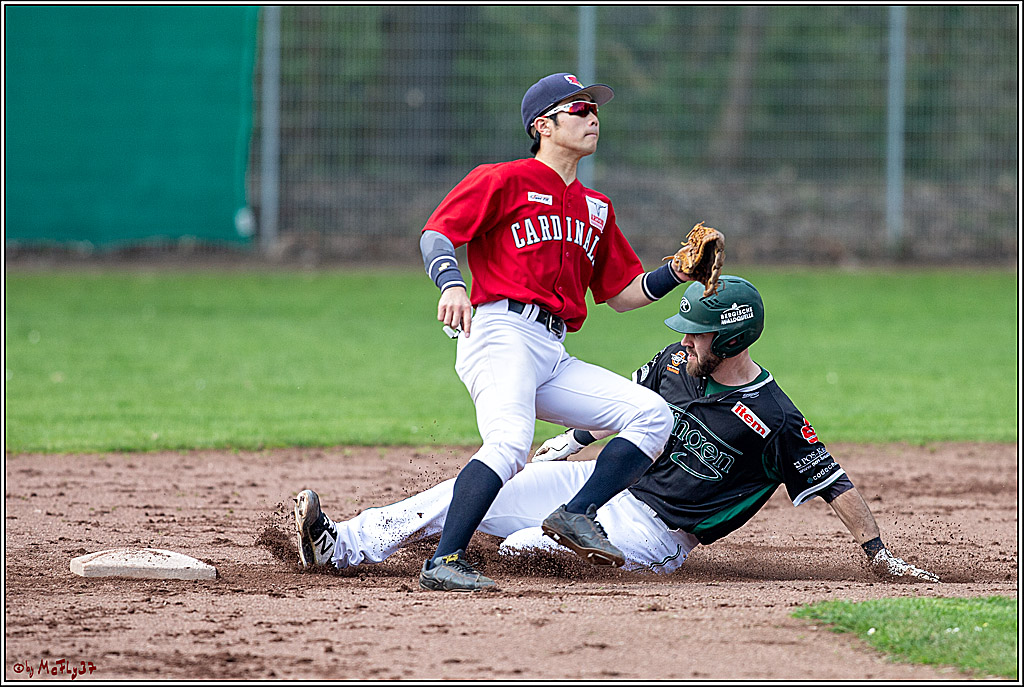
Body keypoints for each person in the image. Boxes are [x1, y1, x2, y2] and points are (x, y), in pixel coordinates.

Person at [299, 72, 712, 592]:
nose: (592, 116)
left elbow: (623, 293)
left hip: (552, 349)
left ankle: (575, 514)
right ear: (543, 124)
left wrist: (678, 271)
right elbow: (437, 234)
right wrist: (450, 284)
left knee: (650, 414)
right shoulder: (502, 180)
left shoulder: (597, 207)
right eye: (578, 109)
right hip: (499, 331)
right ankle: (443, 560)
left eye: (595, 109)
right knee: (510, 444)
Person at [292, 276, 938, 585]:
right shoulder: (671, 366)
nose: (684, 341)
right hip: (597, 490)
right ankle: (342, 544)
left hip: (656, 530)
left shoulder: (774, 416)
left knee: (520, 549)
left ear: (733, 337)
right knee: (472, 488)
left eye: (699, 332)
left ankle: (501, 553)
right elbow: (619, 410)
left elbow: (834, 483)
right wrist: (571, 442)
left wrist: (878, 554)